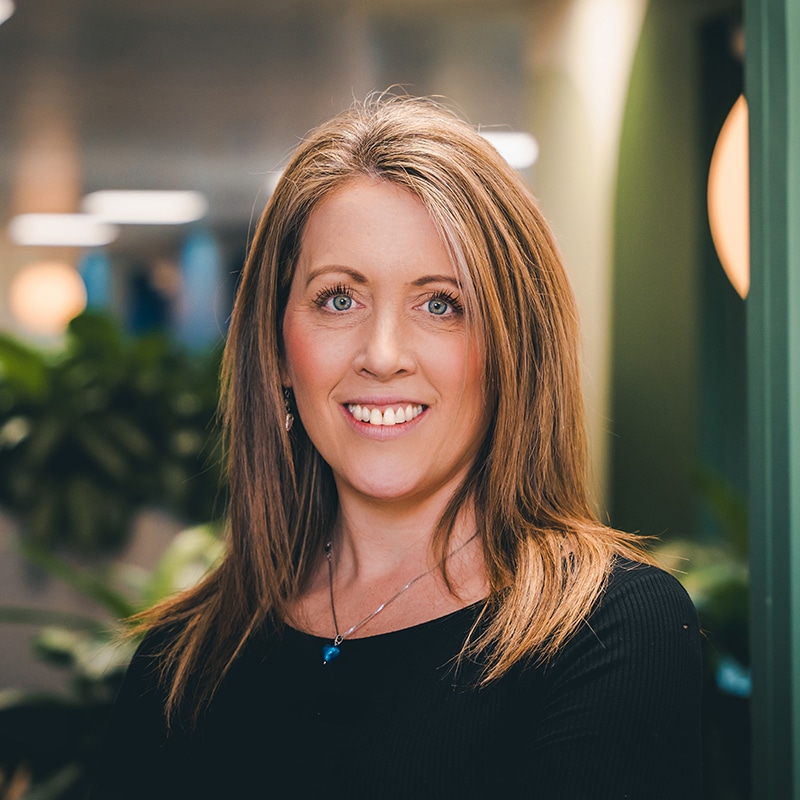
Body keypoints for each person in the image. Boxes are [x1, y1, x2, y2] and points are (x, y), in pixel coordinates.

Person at [91, 95, 702, 799]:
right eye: (338, 299)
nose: (382, 356)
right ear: (278, 351)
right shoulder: (182, 658)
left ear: (513, 351)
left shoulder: (611, 635)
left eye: (440, 303)